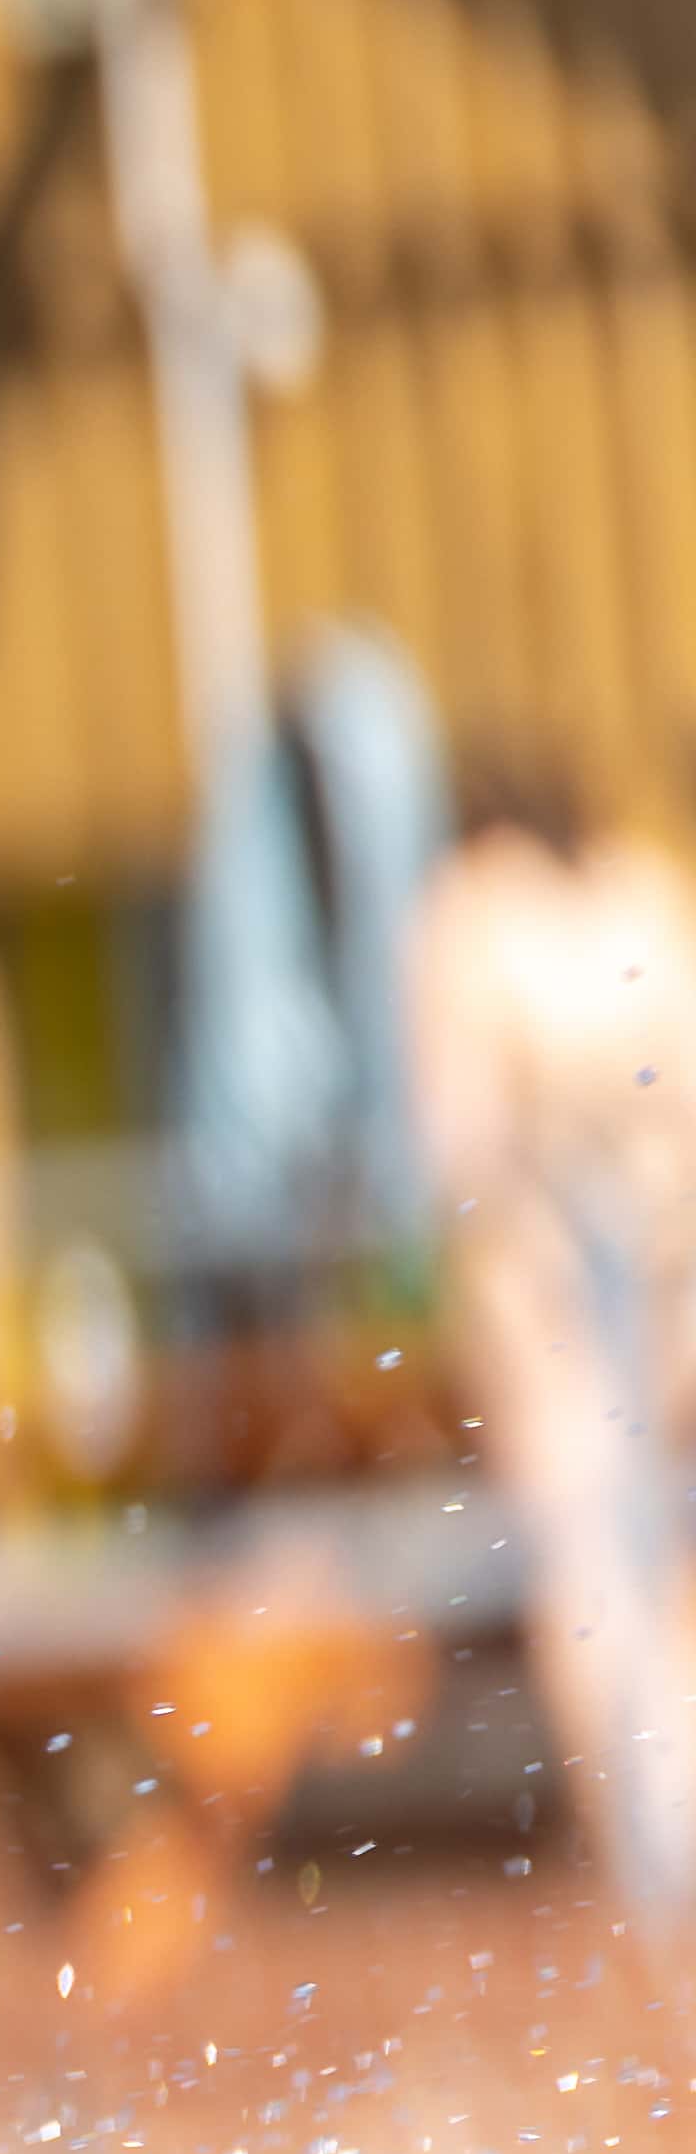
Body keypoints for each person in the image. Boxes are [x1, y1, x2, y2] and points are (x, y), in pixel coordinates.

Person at [409, 779, 696, 1918]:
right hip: (655, 1299)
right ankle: (663, 1845)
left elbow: (455, 1146)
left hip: (565, 1320)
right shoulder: (648, 907)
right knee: (658, 1573)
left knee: (593, 1587)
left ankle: (650, 1861)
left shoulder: (469, 925)